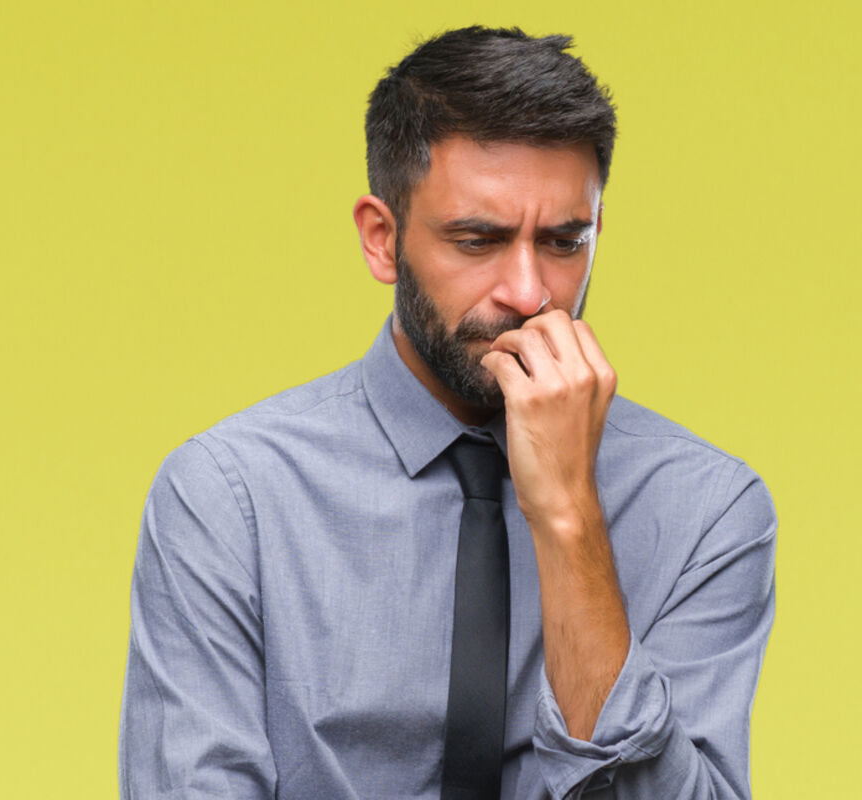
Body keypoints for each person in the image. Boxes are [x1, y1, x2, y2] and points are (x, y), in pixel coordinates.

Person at [118, 26, 776, 800]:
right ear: (382, 239)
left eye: (563, 242)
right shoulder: (231, 501)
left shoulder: (707, 510)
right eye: (478, 240)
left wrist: (569, 519)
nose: (528, 293)